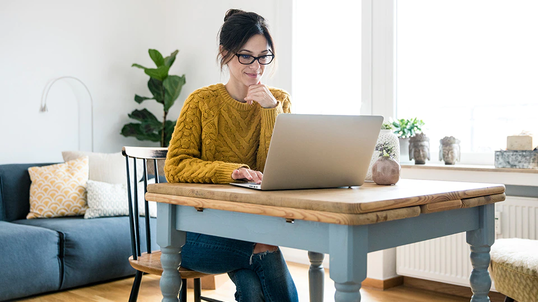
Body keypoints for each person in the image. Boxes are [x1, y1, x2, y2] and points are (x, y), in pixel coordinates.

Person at [164, 9, 298, 302]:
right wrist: (230, 172)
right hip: (195, 235)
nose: (256, 65)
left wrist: (270, 111)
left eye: (264, 55)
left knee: (252, 288)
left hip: (251, 225)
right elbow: (175, 166)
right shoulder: (201, 102)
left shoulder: (279, 102)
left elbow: (275, 173)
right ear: (225, 53)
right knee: (266, 247)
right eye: (246, 55)